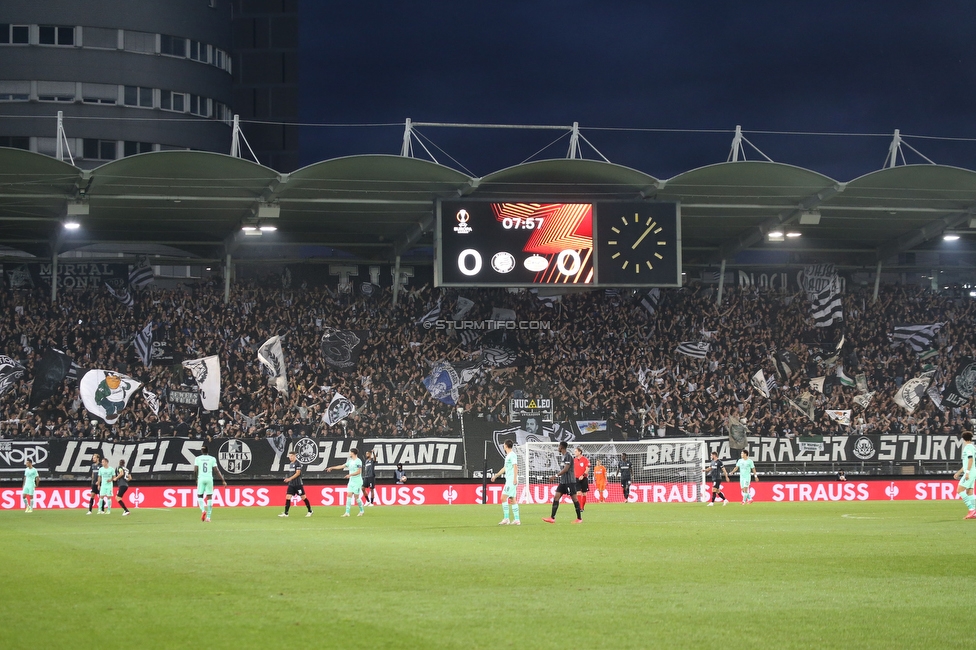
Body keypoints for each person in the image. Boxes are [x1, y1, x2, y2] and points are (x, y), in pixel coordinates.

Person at [543, 441, 582, 524]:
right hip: (563, 481)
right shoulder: (563, 456)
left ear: (561, 447)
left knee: (574, 499)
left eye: (559, 446)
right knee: (556, 497)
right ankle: (552, 518)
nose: (558, 448)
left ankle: (579, 518)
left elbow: (566, 469)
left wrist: (555, 476)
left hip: (569, 482)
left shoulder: (568, 456)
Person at [327, 448, 365, 517]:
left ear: (353, 453)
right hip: (351, 481)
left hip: (357, 481)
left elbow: (359, 472)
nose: (349, 453)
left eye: (350, 452)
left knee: (357, 497)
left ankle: (362, 510)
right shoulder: (350, 461)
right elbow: (341, 466)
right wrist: (331, 468)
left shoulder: (358, 461)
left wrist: (350, 475)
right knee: (349, 495)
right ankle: (347, 512)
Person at [194, 445, 227, 523]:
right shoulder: (212, 459)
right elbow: (216, 470)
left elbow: (195, 470)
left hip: (201, 478)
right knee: (209, 497)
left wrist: (196, 479)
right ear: (208, 451)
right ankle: (208, 517)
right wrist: (223, 480)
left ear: (202, 451)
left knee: (199, 496)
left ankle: (203, 511)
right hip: (209, 479)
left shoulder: (198, 459)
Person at [491, 438, 520, 525]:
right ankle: (517, 519)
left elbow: (515, 467)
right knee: (512, 499)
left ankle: (506, 518)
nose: (503, 446)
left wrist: (514, 478)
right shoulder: (508, 456)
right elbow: (505, 468)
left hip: (511, 480)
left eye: (504, 444)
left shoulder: (512, 455)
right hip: (510, 480)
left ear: (506, 446)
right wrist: (496, 475)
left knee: (503, 498)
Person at [279, 451, 313, 518]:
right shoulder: (291, 464)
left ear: (295, 456)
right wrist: (289, 479)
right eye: (289, 456)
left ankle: (310, 511)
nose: (290, 457)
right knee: (288, 497)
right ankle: (286, 513)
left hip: (298, 484)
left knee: (303, 498)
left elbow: (297, 473)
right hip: (291, 484)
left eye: (291, 456)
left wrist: (289, 479)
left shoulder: (298, 463)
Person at [953, 431, 976, 519]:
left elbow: (970, 460)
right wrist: (959, 472)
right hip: (973, 471)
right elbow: (967, 463)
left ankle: (972, 509)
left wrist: (967, 473)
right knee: (969, 492)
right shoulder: (973, 447)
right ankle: (974, 513)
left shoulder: (968, 448)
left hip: (970, 472)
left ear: (963, 439)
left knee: (959, 490)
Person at [573, 447, 591, 511]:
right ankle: (580, 507)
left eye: (576, 451)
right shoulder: (574, 460)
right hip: (576, 478)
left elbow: (587, 469)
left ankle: (582, 507)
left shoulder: (585, 460)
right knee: (578, 493)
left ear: (579, 452)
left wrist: (583, 475)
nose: (574, 453)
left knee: (584, 493)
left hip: (584, 478)